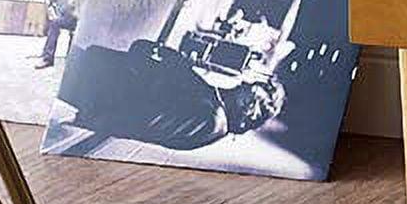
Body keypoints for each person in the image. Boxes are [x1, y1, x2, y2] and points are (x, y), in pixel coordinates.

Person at [59, 39, 285, 152]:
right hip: (99, 77)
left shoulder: (210, 121)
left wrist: (155, 68)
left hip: (95, 86)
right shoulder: (215, 108)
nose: (244, 82)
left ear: (248, 104)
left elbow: (142, 119)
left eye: (250, 87)